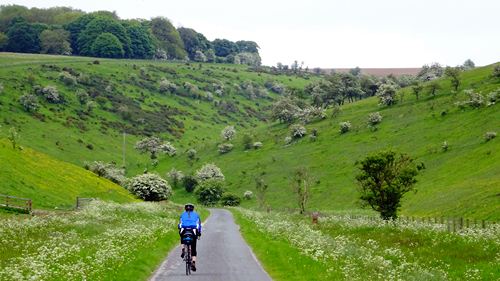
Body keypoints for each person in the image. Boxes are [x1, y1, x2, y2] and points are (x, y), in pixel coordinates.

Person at [178, 203, 202, 271]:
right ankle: (193, 262)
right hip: (193, 231)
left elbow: (179, 224)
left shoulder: (182, 215)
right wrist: (199, 233)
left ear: (185, 209)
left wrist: (180, 230)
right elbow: (199, 225)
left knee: (182, 237)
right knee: (193, 247)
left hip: (184, 230)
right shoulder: (196, 215)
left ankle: (183, 249)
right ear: (193, 209)